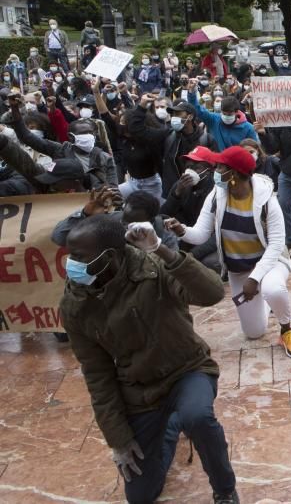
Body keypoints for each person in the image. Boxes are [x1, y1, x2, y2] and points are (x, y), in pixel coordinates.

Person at [60, 214, 239, 504]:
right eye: (71, 256)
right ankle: (169, 427)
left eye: (80, 257)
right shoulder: (74, 304)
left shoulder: (153, 266)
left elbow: (212, 293)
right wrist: (118, 438)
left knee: (197, 417)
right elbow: (97, 373)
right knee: (140, 495)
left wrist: (161, 249)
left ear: (110, 256)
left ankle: (225, 489)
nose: (73, 264)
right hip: (140, 390)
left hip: (187, 370)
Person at [166, 146, 291, 358]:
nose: (216, 171)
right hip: (238, 269)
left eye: (221, 167)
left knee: (273, 289)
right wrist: (181, 230)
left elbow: (276, 244)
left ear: (235, 174)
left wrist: (255, 278)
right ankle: (265, 301)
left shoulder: (267, 200)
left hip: (269, 262)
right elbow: (201, 234)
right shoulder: (217, 195)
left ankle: (286, 329)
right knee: (254, 333)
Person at [187, 85, 258, 150]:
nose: (226, 116)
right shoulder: (214, 119)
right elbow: (197, 110)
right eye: (224, 113)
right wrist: (192, 93)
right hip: (217, 161)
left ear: (237, 112)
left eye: (229, 114)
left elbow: (253, 149)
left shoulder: (248, 128)